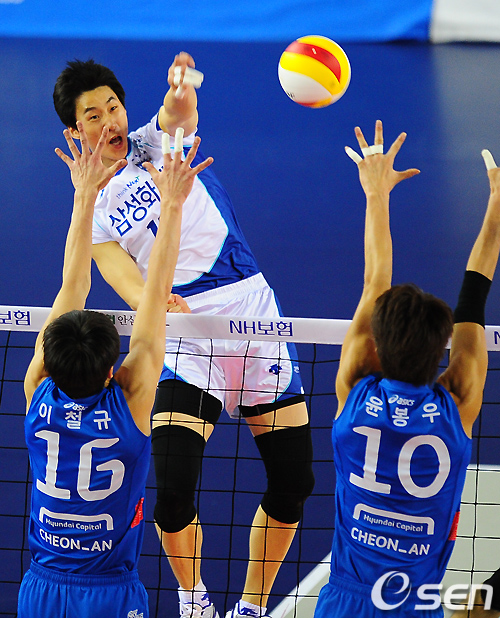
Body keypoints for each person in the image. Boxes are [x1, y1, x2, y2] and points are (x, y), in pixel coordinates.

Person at [52, 53, 315, 618]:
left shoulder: (153, 142)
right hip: (185, 336)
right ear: (74, 132)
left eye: (114, 107)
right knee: (172, 493)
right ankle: (194, 599)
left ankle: (251, 606)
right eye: (93, 116)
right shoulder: (92, 211)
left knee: (294, 480)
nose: (110, 121)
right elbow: (120, 276)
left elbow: (179, 112)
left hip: (251, 314)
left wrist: (180, 87)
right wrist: (154, 301)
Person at [18, 119, 212, 617]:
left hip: (41, 589)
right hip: (109, 593)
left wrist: (83, 196)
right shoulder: (130, 406)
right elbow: (156, 293)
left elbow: (73, 286)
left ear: (48, 361)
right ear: (112, 372)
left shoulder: (37, 391)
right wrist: (172, 203)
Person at [314, 120, 500, 618]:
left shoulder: (354, 392)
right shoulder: (457, 403)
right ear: (442, 354)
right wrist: (497, 207)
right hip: (415, 605)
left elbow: (375, 279)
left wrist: (376, 192)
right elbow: (474, 297)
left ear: (375, 347)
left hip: (344, 602)